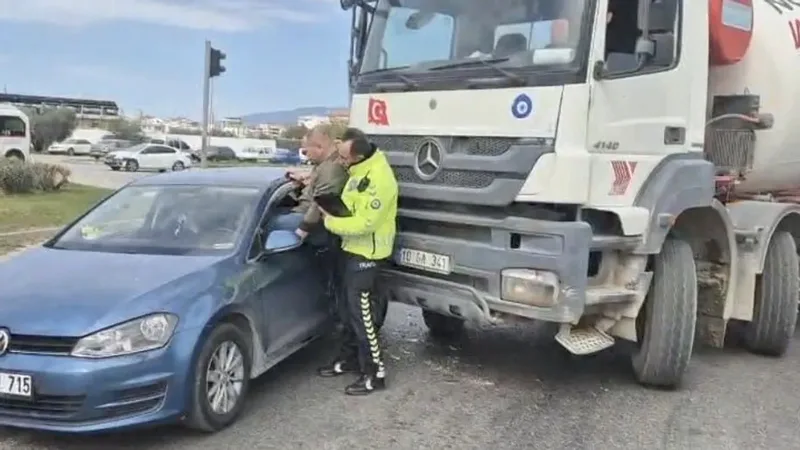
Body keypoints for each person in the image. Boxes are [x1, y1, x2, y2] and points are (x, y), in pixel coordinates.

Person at [316, 127, 398, 396]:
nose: (341, 162)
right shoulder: (357, 171)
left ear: (359, 155)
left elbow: (365, 223)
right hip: (350, 249)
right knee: (346, 313)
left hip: (368, 256)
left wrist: (330, 221)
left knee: (362, 317)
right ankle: (349, 359)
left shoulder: (380, 179)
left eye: (344, 158)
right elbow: (351, 206)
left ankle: (375, 373)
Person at [269, 124, 348, 240]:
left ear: (319, 147)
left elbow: (319, 204)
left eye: (306, 152)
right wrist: (304, 180)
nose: (306, 156)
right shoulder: (324, 165)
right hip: (304, 212)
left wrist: (301, 232)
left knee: (269, 224)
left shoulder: (331, 169)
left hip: (309, 218)